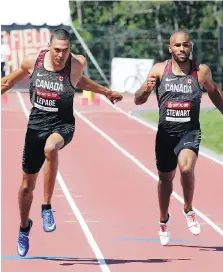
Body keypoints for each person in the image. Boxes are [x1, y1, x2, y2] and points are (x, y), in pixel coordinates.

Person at [1, 28, 123, 257]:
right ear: (48, 48)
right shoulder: (32, 62)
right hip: (36, 126)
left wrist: (106, 92)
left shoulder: (76, 64)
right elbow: (7, 82)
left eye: (66, 51)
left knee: (51, 148)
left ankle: (46, 208)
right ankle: (24, 226)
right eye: (57, 50)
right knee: (26, 187)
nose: (61, 55)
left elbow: (80, 81)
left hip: (63, 125)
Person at [134, 30, 223, 246]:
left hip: (189, 131)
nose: (182, 49)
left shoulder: (201, 71)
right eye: (177, 45)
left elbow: (214, 92)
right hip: (165, 134)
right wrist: (145, 90)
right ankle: (164, 219)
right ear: (170, 48)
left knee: (186, 169)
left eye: (185, 45)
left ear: (191, 46)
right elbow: (137, 100)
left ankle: (188, 208)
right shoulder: (159, 70)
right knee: (165, 179)